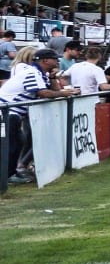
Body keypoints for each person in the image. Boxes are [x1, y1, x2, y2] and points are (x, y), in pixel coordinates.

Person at [2, 48, 78, 183]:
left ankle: (10, 173)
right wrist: (64, 93)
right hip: (7, 111)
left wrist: (53, 77)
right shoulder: (32, 72)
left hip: (12, 112)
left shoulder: (39, 73)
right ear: (45, 60)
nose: (57, 61)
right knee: (14, 143)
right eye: (55, 59)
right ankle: (7, 176)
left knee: (18, 142)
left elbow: (53, 90)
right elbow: (43, 93)